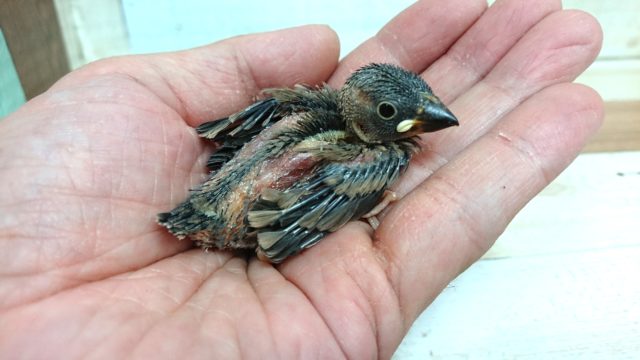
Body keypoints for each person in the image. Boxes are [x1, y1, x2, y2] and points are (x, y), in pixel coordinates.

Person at [0, 0, 603, 358]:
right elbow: (299, 202)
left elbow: (260, 127)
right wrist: (282, 231)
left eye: (421, 105)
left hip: (216, 195)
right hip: (234, 220)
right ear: (369, 116)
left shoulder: (311, 102)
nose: (422, 120)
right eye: (397, 115)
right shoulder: (380, 157)